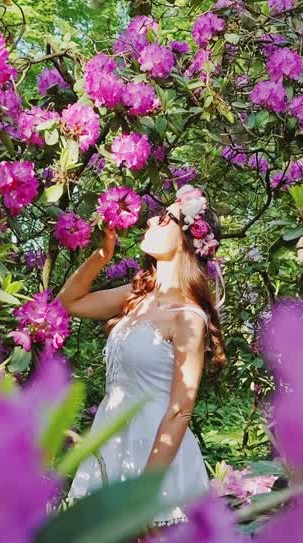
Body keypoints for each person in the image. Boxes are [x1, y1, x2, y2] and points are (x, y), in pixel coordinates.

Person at [58, 185, 226, 524]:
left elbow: (180, 411)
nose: (150, 220)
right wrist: (102, 255)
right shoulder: (137, 295)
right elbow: (69, 302)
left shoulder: (188, 317)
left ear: (187, 238)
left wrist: (143, 494)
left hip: (157, 461)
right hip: (111, 443)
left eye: (165, 219)